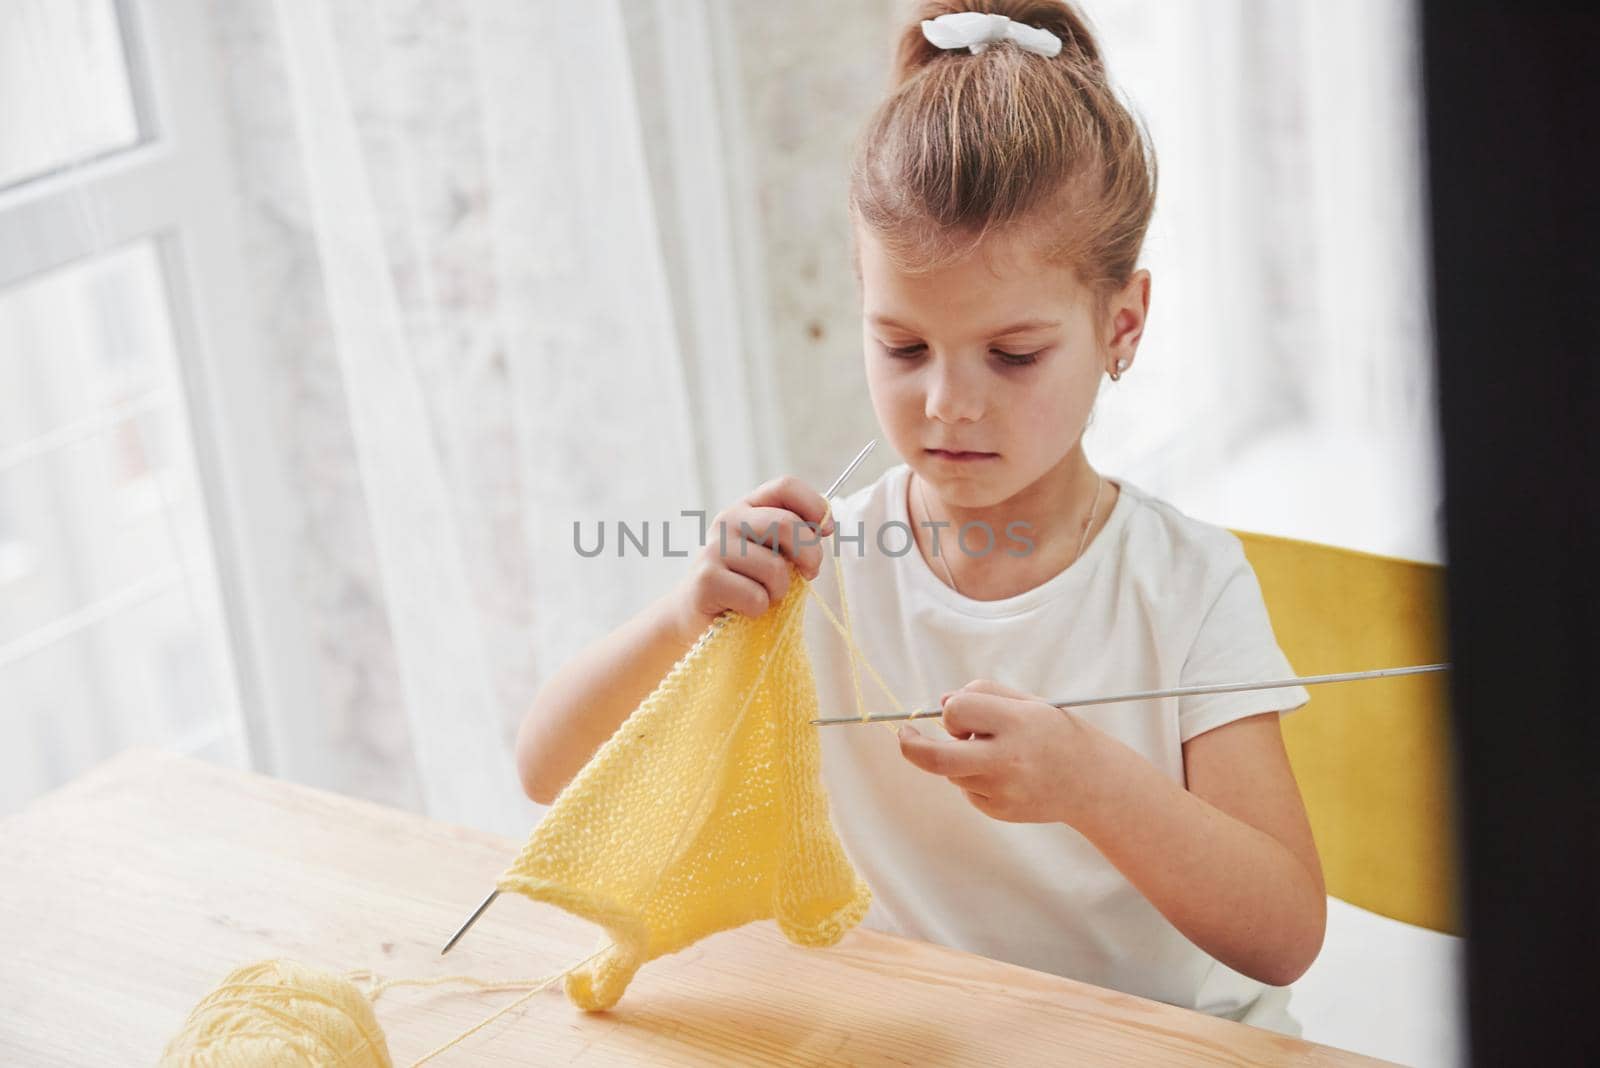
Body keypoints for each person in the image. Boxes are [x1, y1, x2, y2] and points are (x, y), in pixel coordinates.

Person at [515, 0, 1324, 1037]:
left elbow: (1284, 930)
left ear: (1119, 325)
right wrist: (683, 614)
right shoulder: (821, 567)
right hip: (917, 1039)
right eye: (902, 348)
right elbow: (547, 773)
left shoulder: (1185, 584)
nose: (947, 403)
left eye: (1012, 355)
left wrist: (1089, 784)